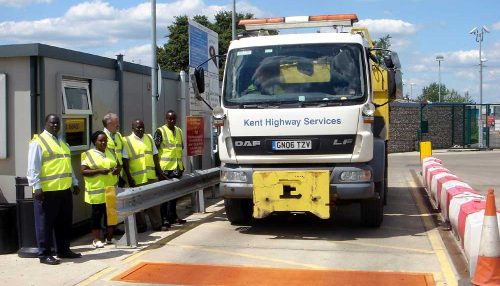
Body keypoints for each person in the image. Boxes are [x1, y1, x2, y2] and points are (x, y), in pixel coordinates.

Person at [27, 114, 82, 265]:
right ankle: (44, 254)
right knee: (45, 224)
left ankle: (63, 250)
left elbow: (68, 166)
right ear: (46, 123)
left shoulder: (62, 143)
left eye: (57, 123)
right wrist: (36, 187)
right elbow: (33, 168)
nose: (55, 126)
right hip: (46, 192)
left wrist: (75, 182)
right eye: (52, 123)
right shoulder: (38, 143)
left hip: (64, 190)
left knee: (64, 223)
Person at [122, 119, 166, 232]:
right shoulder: (126, 141)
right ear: (133, 128)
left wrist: (160, 172)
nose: (141, 129)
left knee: (154, 202)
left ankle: (157, 224)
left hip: (151, 176)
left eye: (142, 127)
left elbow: (155, 156)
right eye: (138, 127)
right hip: (136, 178)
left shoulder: (149, 138)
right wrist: (129, 177)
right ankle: (141, 226)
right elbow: (125, 161)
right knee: (138, 205)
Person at [81, 131, 121, 248]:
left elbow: (118, 165)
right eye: (101, 140)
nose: (104, 142)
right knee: (97, 216)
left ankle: (109, 238)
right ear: (95, 142)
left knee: (110, 214)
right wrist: (99, 171)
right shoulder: (88, 154)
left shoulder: (111, 152)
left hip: (110, 189)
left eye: (105, 140)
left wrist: (117, 170)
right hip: (96, 190)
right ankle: (96, 239)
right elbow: (83, 171)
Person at [154, 110, 187, 226]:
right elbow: (155, 151)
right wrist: (159, 170)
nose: (171, 121)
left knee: (174, 195)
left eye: (173, 119)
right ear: (166, 119)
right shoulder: (160, 131)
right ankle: (164, 219)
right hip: (165, 170)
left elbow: (180, 147)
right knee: (164, 197)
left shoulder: (179, 131)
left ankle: (173, 216)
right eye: (169, 119)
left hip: (176, 168)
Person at [102, 113, 125, 187]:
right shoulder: (100, 136)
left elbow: (122, 154)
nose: (118, 125)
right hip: (107, 176)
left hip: (119, 175)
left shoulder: (118, 135)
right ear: (109, 124)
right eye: (116, 123)